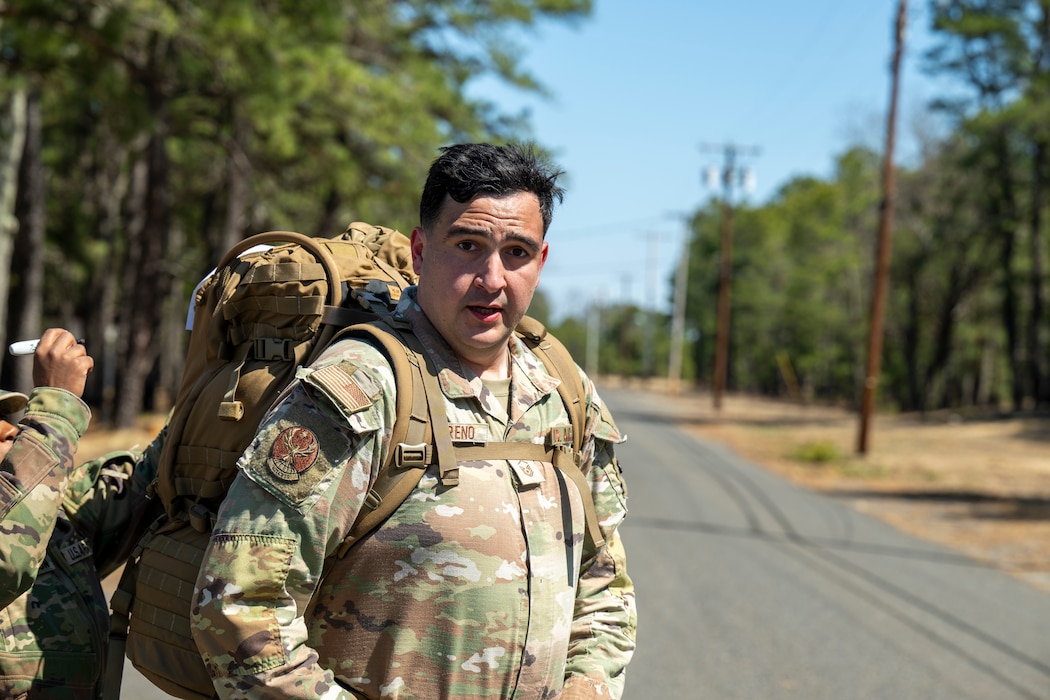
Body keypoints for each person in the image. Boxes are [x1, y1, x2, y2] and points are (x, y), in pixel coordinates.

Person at [191, 142, 636, 699]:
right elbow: (241, 606)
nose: (492, 278)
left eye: (516, 253)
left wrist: (586, 688)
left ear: (541, 262)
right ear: (421, 251)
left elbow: (603, 584)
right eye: (468, 246)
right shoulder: (361, 388)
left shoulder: (564, 390)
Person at [0, 328, 162, 699]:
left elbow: (156, 472)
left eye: (11, 419)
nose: (11, 430)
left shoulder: (53, 512)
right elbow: (9, 558)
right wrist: (56, 406)